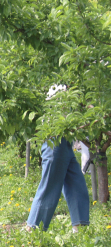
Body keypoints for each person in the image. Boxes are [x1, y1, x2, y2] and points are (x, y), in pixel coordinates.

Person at [25, 85, 89, 232]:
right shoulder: (59, 103)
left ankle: (80, 227)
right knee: (49, 188)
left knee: (76, 184)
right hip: (55, 144)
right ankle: (33, 229)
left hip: (66, 144)